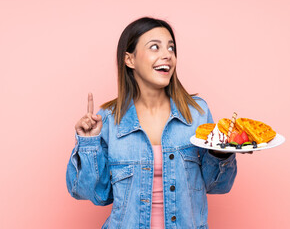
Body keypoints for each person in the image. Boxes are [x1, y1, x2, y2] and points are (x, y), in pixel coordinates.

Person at [66, 17, 237, 229]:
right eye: (155, 47)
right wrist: (89, 144)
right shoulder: (109, 119)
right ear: (130, 60)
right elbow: (95, 194)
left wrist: (222, 152)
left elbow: (217, 185)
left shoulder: (196, 112)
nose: (167, 55)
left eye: (171, 48)